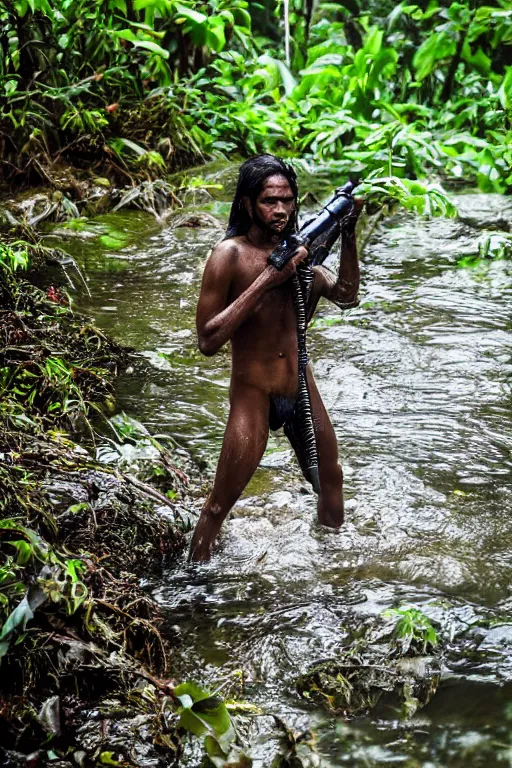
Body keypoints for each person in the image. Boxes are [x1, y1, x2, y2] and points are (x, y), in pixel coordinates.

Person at [189, 154, 362, 562]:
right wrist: (269, 279)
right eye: (270, 201)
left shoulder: (303, 261)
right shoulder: (228, 255)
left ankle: (334, 572)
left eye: (287, 200)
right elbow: (208, 340)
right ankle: (194, 590)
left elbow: (348, 296)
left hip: (300, 387)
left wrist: (349, 232)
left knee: (332, 483)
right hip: (253, 394)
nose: (281, 209)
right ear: (248, 204)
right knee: (219, 504)